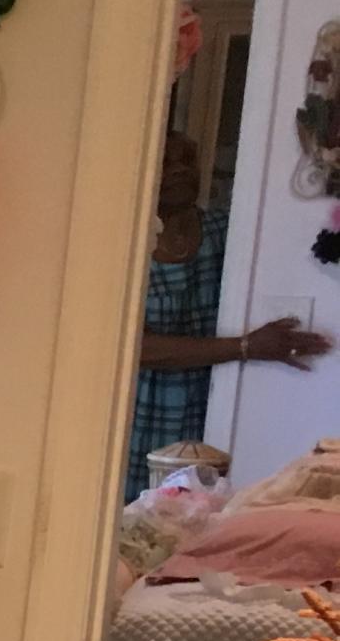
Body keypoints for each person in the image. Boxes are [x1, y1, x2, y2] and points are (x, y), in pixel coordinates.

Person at [128, 131, 331, 501]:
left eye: (187, 161)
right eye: (166, 162)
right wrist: (245, 346)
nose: (181, 171)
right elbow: (138, 347)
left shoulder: (230, 231)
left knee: (210, 507)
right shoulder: (125, 243)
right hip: (143, 412)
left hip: (217, 401)